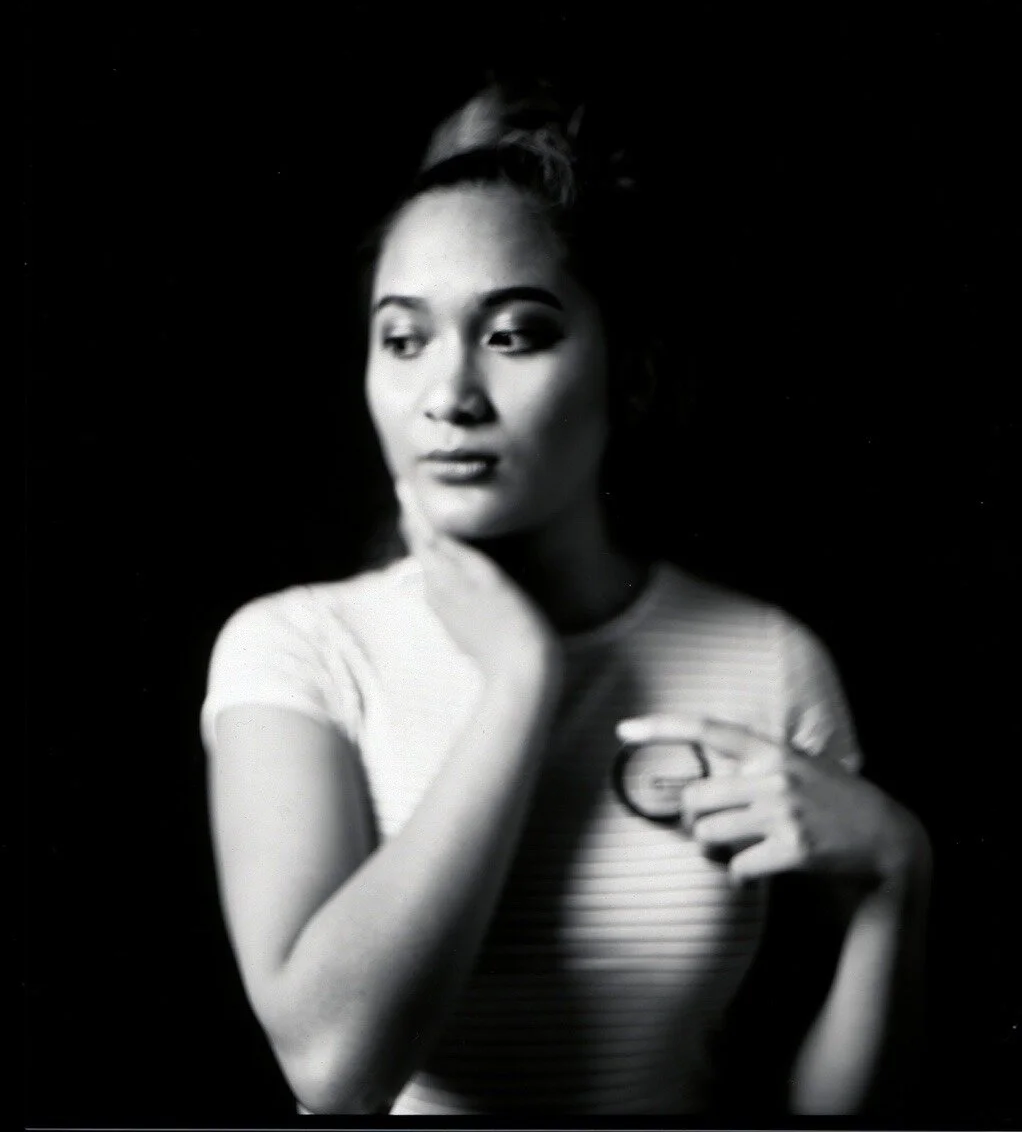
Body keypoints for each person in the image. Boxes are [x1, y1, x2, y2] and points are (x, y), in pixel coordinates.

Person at [200, 75, 932, 1116]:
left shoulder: (768, 659)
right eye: (403, 339)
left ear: (626, 371)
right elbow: (333, 1066)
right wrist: (519, 679)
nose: (448, 396)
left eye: (512, 334)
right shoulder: (297, 649)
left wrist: (898, 881)